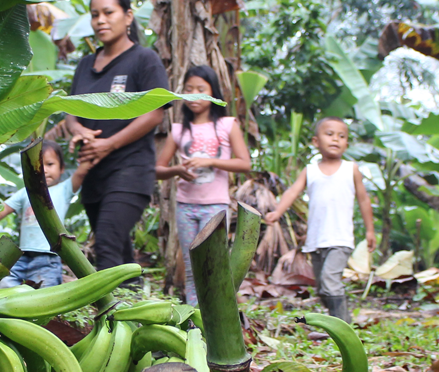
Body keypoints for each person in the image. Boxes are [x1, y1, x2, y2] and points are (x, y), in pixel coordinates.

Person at [66, 0, 170, 274]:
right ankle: (132, 305)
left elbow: (154, 114)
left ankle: (108, 314)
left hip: (131, 170)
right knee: (117, 246)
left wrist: (109, 144)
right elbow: (70, 114)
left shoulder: (144, 59)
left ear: (127, 16)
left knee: (108, 242)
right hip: (92, 171)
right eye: (95, 14)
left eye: (108, 13)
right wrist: (79, 131)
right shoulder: (85, 65)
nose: (101, 20)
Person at [263, 117, 377, 323]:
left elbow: (363, 200)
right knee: (322, 287)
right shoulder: (310, 170)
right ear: (316, 142)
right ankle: (339, 318)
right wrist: (277, 211)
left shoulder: (351, 169)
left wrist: (370, 230)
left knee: (330, 280)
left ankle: (342, 325)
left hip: (341, 239)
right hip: (316, 240)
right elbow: (292, 192)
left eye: (341, 136)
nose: (336, 139)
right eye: (330, 134)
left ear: (347, 143)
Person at [156, 65, 250, 304]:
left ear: (212, 92)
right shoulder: (178, 130)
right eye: (189, 90)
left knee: (215, 265)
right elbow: (158, 169)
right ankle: (194, 319)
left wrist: (210, 160)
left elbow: (244, 163)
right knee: (191, 267)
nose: (194, 95)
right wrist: (177, 170)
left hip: (215, 205)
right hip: (185, 206)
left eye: (201, 89)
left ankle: (219, 314)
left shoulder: (228, 125)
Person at [0, 143, 88, 288]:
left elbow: (80, 173)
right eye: (40, 165)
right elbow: (4, 208)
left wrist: (89, 153)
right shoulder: (25, 192)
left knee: (46, 293)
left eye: (50, 164)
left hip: (48, 256)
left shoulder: (64, 189)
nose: (44, 170)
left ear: (62, 169)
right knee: (4, 282)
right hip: (22, 256)